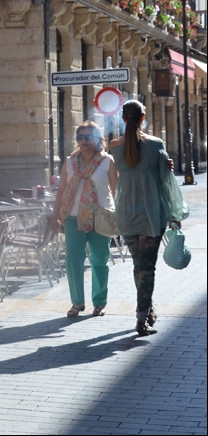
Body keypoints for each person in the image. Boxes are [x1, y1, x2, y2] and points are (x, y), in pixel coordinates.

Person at [110, 100, 188, 336]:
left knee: (139, 266)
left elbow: (114, 180)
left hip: (126, 214)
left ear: (123, 119)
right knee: (148, 268)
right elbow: (167, 182)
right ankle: (142, 316)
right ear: (143, 118)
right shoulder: (156, 145)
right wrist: (176, 213)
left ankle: (147, 308)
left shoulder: (114, 147)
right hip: (152, 214)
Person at [50, 121, 118, 318]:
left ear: (97, 139)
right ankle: (77, 302)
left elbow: (116, 191)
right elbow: (61, 191)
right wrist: (55, 217)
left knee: (100, 260)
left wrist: (118, 216)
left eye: (89, 137)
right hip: (73, 217)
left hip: (100, 217)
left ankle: (99, 302)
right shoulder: (70, 162)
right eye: (81, 137)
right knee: (73, 260)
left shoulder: (107, 161)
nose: (84, 141)